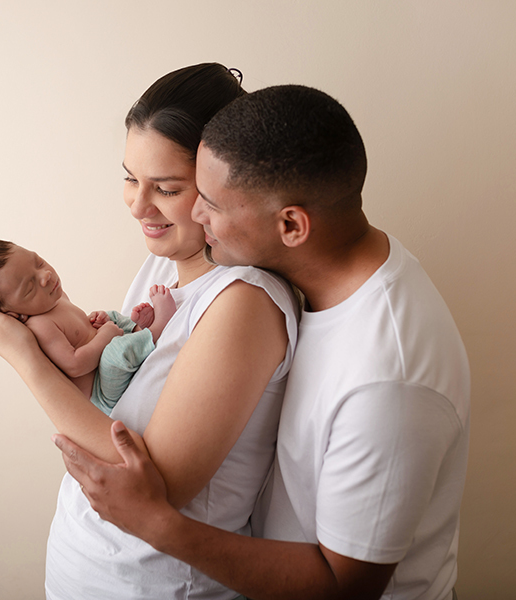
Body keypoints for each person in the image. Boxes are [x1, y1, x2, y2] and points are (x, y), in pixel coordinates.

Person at [55, 85, 471, 600]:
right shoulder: (338, 271)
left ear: (291, 225)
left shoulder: (388, 379)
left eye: (209, 203)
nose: (197, 219)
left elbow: (345, 587)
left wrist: (158, 525)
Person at [0, 64, 300, 599]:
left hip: (161, 584)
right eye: (129, 178)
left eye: (164, 187)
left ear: (225, 185)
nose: (138, 206)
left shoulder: (243, 304)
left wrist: (25, 358)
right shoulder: (164, 266)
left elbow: (155, 482)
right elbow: (103, 406)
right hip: (86, 565)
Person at [0, 234, 176, 415]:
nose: (45, 275)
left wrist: (96, 324)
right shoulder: (40, 326)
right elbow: (75, 364)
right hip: (103, 391)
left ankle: (135, 329)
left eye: (38, 262)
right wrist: (104, 337)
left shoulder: (55, 298)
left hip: (104, 355)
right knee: (114, 352)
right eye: (29, 287)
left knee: (109, 316)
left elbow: (80, 331)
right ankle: (156, 330)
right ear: (13, 315)